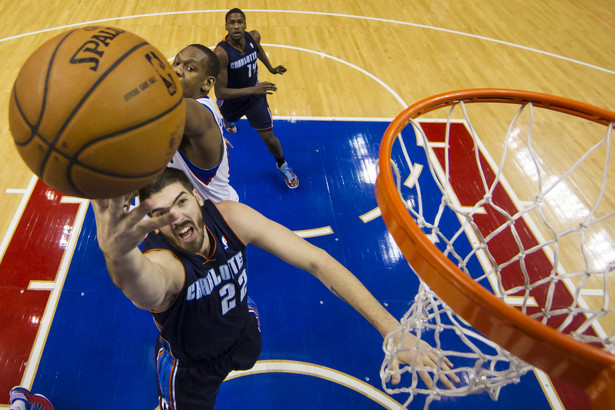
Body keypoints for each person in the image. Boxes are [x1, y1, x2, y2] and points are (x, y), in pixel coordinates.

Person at [92, 167, 458, 410]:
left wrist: (391, 328)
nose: (176, 216)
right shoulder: (166, 263)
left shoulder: (232, 218)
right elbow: (143, 287)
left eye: (181, 202)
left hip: (242, 329)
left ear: (198, 198)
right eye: (160, 214)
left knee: (245, 340)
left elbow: (318, 261)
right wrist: (118, 254)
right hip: (190, 366)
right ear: (152, 226)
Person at [214, 8, 299, 189]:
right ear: (226, 26)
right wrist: (253, 89)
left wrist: (271, 68)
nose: (236, 26)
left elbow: (258, 50)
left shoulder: (253, 37)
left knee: (270, 138)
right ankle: (229, 121)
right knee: (229, 118)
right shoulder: (221, 53)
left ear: (245, 24)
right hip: (232, 100)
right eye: (232, 23)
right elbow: (220, 92)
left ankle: (282, 164)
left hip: (255, 98)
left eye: (239, 22)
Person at [170, 43, 238, 203]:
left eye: (190, 69)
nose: (176, 70)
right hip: (183, 203)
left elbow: (173, 109)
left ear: (207, 83)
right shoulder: (198, 116)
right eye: (176, 62)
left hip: (213, 217)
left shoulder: (196, 113)